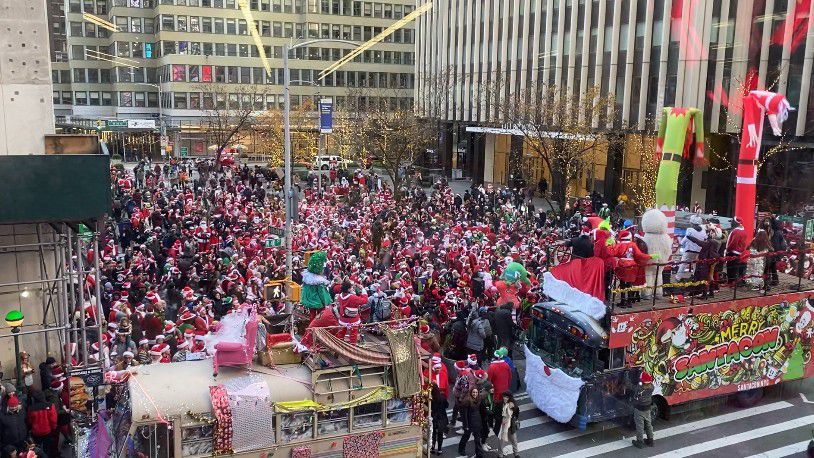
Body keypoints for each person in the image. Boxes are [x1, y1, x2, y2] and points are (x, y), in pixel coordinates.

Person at [26, 390, 57, 456]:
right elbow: (53, 419)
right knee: (47, 448)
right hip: (47, 431)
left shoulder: (31, 408)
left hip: (36, 433)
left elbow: (30, 421)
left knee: (38, 450)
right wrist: (53, 428)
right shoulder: (50, 405)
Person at [458, 387, 486, 458]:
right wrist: (465, 425)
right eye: (473, 392)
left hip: (477, 421)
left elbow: (482, 410)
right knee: (466, 436)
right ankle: (461, 449)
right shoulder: (467, 401)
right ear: (470, 393)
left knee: (477, 439)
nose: (475, 394)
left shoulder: (479, 399)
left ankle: (479, 454)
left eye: (476, 392)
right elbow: (464, 415)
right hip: (469, 422)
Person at [631, 371, 655, 448]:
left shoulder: (639, 388)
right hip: (648, 408)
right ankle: (650, 441)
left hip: (639, 409)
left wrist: (626, 374)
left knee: (640, 426)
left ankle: (640, 442)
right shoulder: (652, 387)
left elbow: (630, 386)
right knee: (648, 424)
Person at [726, 217, 750, 285]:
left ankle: (731, 282)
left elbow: (733, 243)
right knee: (735, 268)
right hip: (738, 252)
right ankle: (733, 282)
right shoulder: (743, 231)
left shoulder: (736, 231)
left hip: (732, 252)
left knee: (730, 268)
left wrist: (728, 250)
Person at [497, 391, 520, 458]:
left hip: (511, 425)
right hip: (502, 425)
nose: (505, 398)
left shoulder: (513, 404)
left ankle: (516, 454)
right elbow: (496, 415)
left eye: (507, 397)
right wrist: (501, 419)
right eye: (504, 396)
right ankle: (500, 455)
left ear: (510, 397)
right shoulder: (499, 404)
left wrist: (513, 408)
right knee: (501, 441)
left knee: (514, 440)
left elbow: (517, 413)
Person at [430, 384, 448, 456]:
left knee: (433, 434)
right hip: (442, 417)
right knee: (440, 434)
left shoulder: (431, 398)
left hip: (434, 417)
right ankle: (439, 449)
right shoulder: (442, 397)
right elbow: (447, 405)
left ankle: (433, 448)